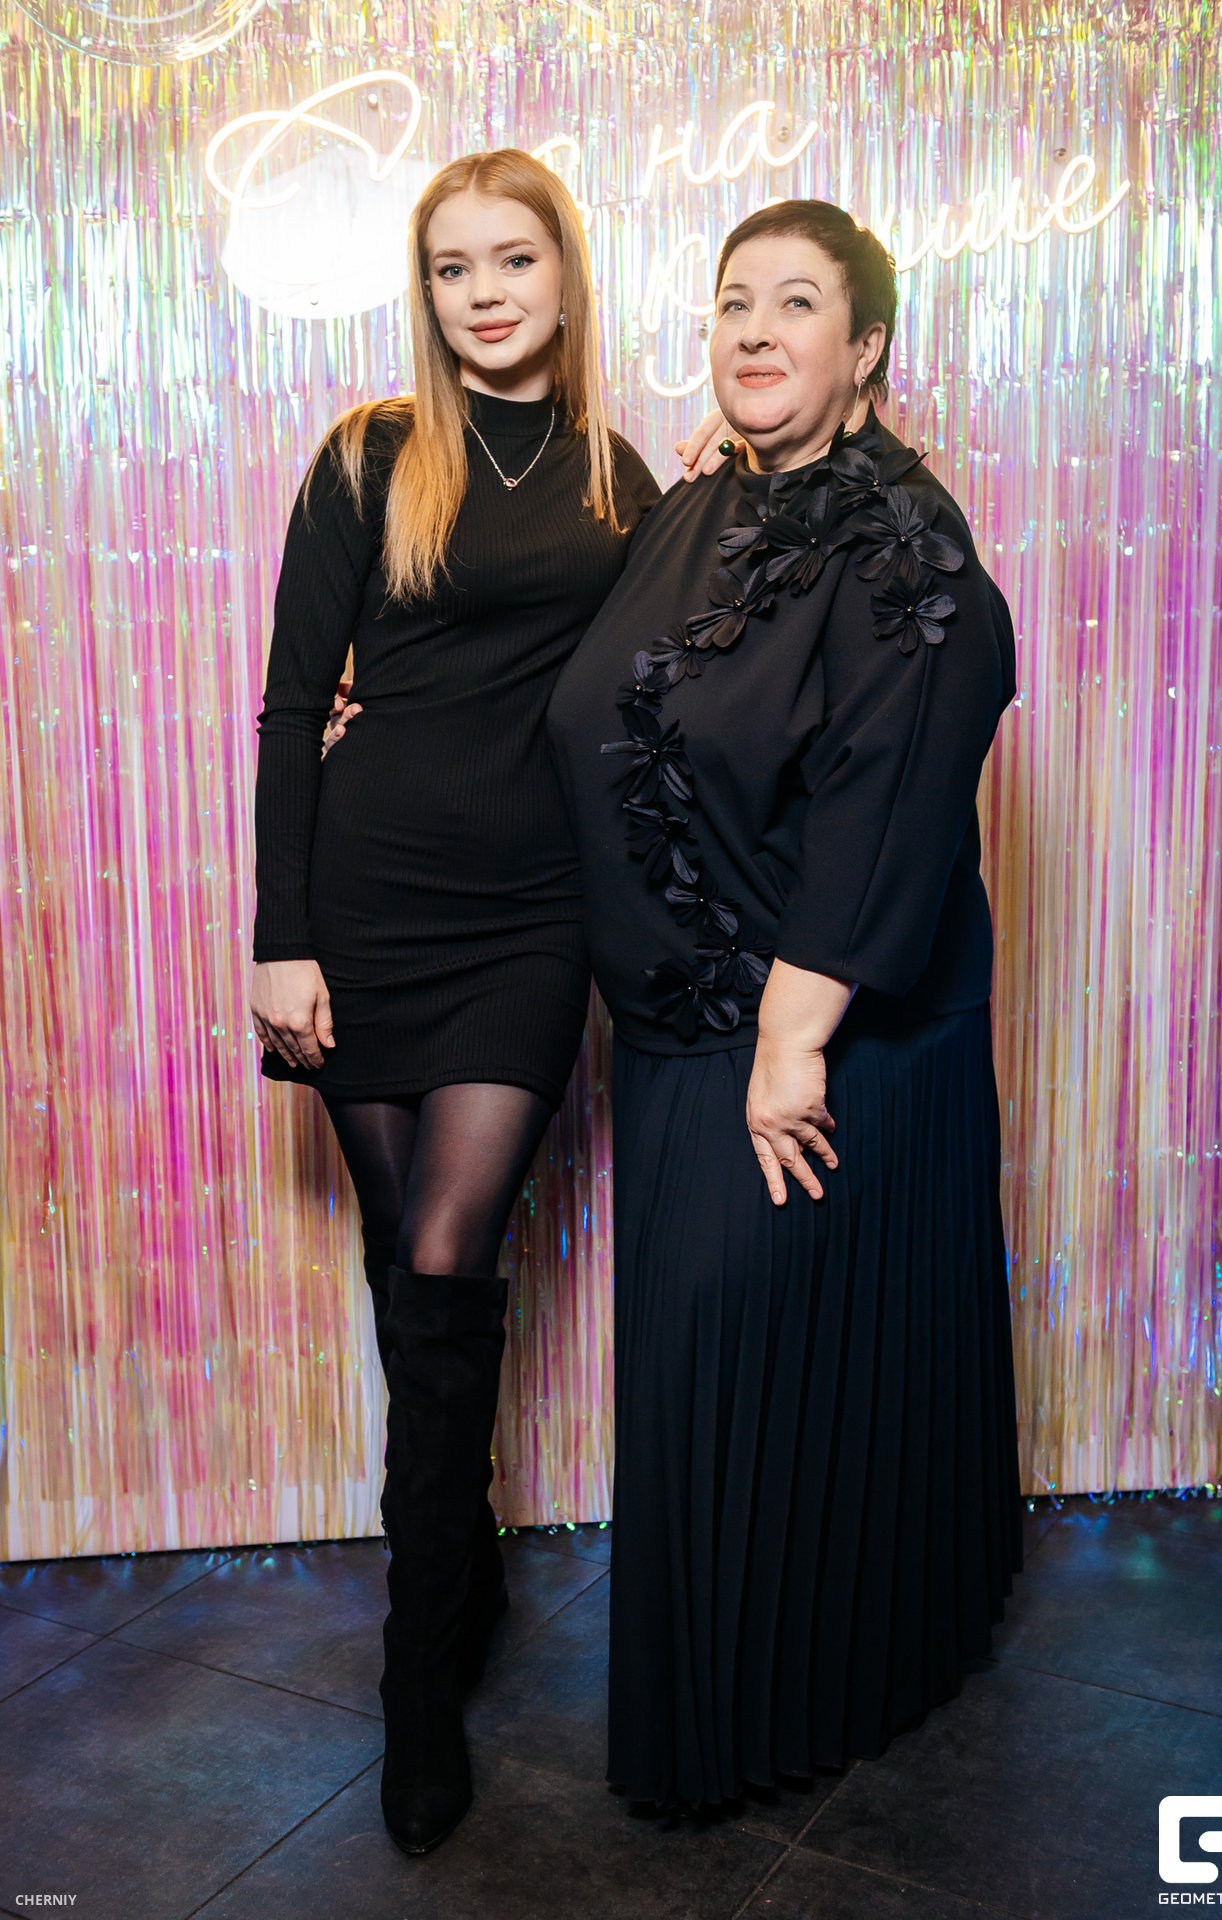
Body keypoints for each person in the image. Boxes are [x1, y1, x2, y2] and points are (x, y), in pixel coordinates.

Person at [250, 147, 730, 1857]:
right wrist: (280, 937)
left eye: (512, 258)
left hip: (532, 917)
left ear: (562, 272)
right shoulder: (369, 457)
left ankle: (411, 1678)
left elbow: (676, 671)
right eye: (453, 267)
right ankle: (460, 1581)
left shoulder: (616, 475)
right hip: (366, 903)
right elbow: (291, 701)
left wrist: (723, 496)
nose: (484, 293)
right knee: (411, 1272)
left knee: (450, 1253)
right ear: (427, 290)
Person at [548, 199, 1023, 1809]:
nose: (753, 330)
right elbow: (610, 698)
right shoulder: (709, 503)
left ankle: (769, 1717)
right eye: (732, 301)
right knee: (723, 1393)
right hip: (681, 1032)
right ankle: (778, 1685)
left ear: (865, 345)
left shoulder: (906, 547)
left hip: (809, 1051)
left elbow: (886, 805)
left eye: (796, 304)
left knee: (774, 1382)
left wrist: (791, 1043)